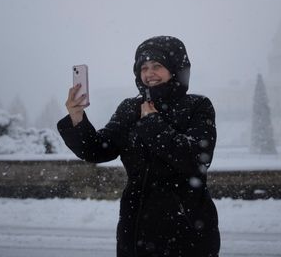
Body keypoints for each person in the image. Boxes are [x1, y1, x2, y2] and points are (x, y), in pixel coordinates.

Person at [58, 36, 220, 257]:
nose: (149, 73)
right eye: (143, 67)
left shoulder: (197, 106)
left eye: (157, 66)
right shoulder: (129, 108)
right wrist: (77, 118)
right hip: (135, 230)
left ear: (176, 69)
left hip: (187, 229)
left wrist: (152, 123)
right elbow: (97, 149)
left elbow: (196, 158)